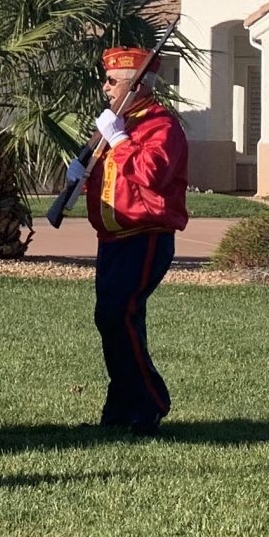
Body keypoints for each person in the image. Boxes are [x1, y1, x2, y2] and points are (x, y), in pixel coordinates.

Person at [68, 46, 188, 435]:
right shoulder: (119, 122)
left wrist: (119, 142)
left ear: (137, 87)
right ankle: (122, 405)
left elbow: (151, 174)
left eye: (113, 81)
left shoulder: (160, 127)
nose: (105, 88)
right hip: (113, 238)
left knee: (118, 315)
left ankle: (148, 401)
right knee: (113, 319)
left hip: (145, 236)